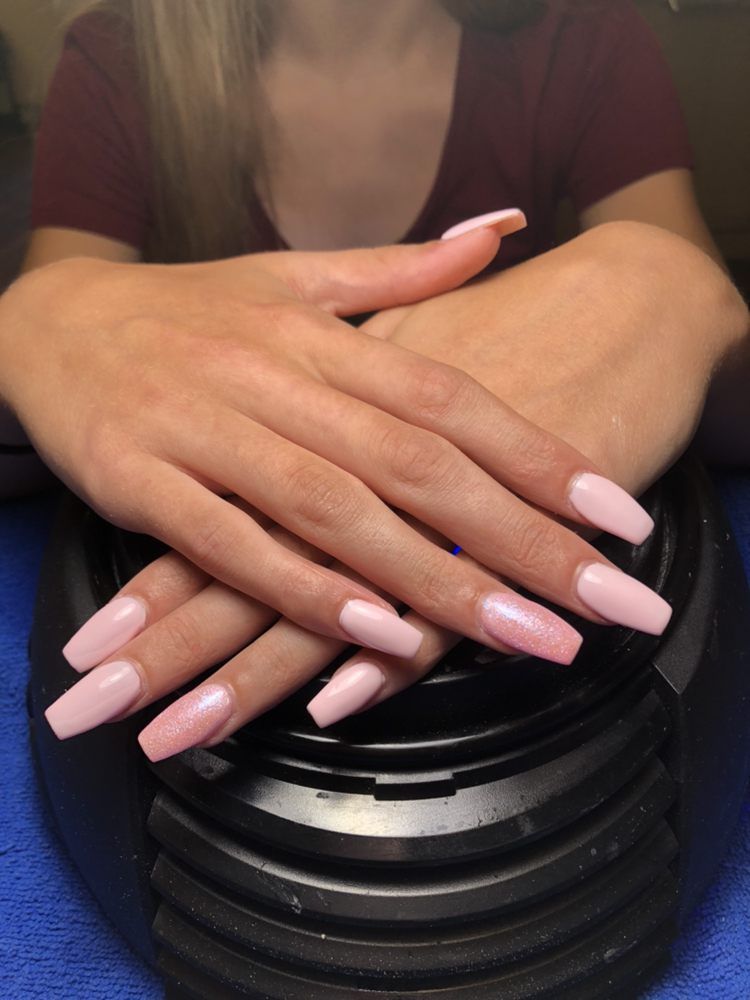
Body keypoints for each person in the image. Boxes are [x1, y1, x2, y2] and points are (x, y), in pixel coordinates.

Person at [0, 0, 747, 760]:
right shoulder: (116, 57)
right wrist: (28, 333)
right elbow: (41, 436)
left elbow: (728, 420)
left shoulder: (584, 37)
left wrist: (683, 288)